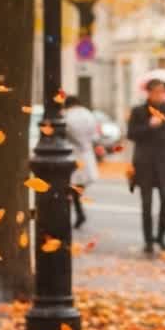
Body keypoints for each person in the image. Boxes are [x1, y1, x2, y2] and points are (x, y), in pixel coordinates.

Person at [128, 79, 165, 255]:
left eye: (162, 92)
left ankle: (161, 237)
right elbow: (131, 134)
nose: (160, 95)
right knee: (146, 204)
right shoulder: (138, 112)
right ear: (150, 93)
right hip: (144, 163)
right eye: (157, 92)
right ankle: (148, 241)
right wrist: (149, 126)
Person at [63, 96, 99, 230]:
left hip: (71, 154)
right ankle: (78, 213)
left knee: (69, 186)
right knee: (77, 187)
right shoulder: (89, 115)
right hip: (86, 155)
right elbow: (95, 136)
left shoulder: (66, 116)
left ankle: (75, 213)